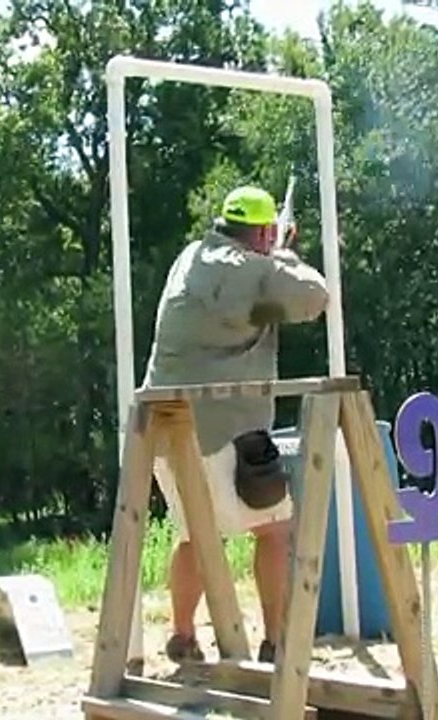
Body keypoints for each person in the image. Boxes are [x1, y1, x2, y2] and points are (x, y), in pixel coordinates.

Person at [141, 185, 329, 665]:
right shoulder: (252, 269)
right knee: (275, 530)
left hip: (164, 428)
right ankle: (276, 640)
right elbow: (314, 296)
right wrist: (284, 255)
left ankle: (183, 636)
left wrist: (272, 256)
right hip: (224, 429)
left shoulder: (192, 257)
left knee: (196, 534)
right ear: (264, 231)